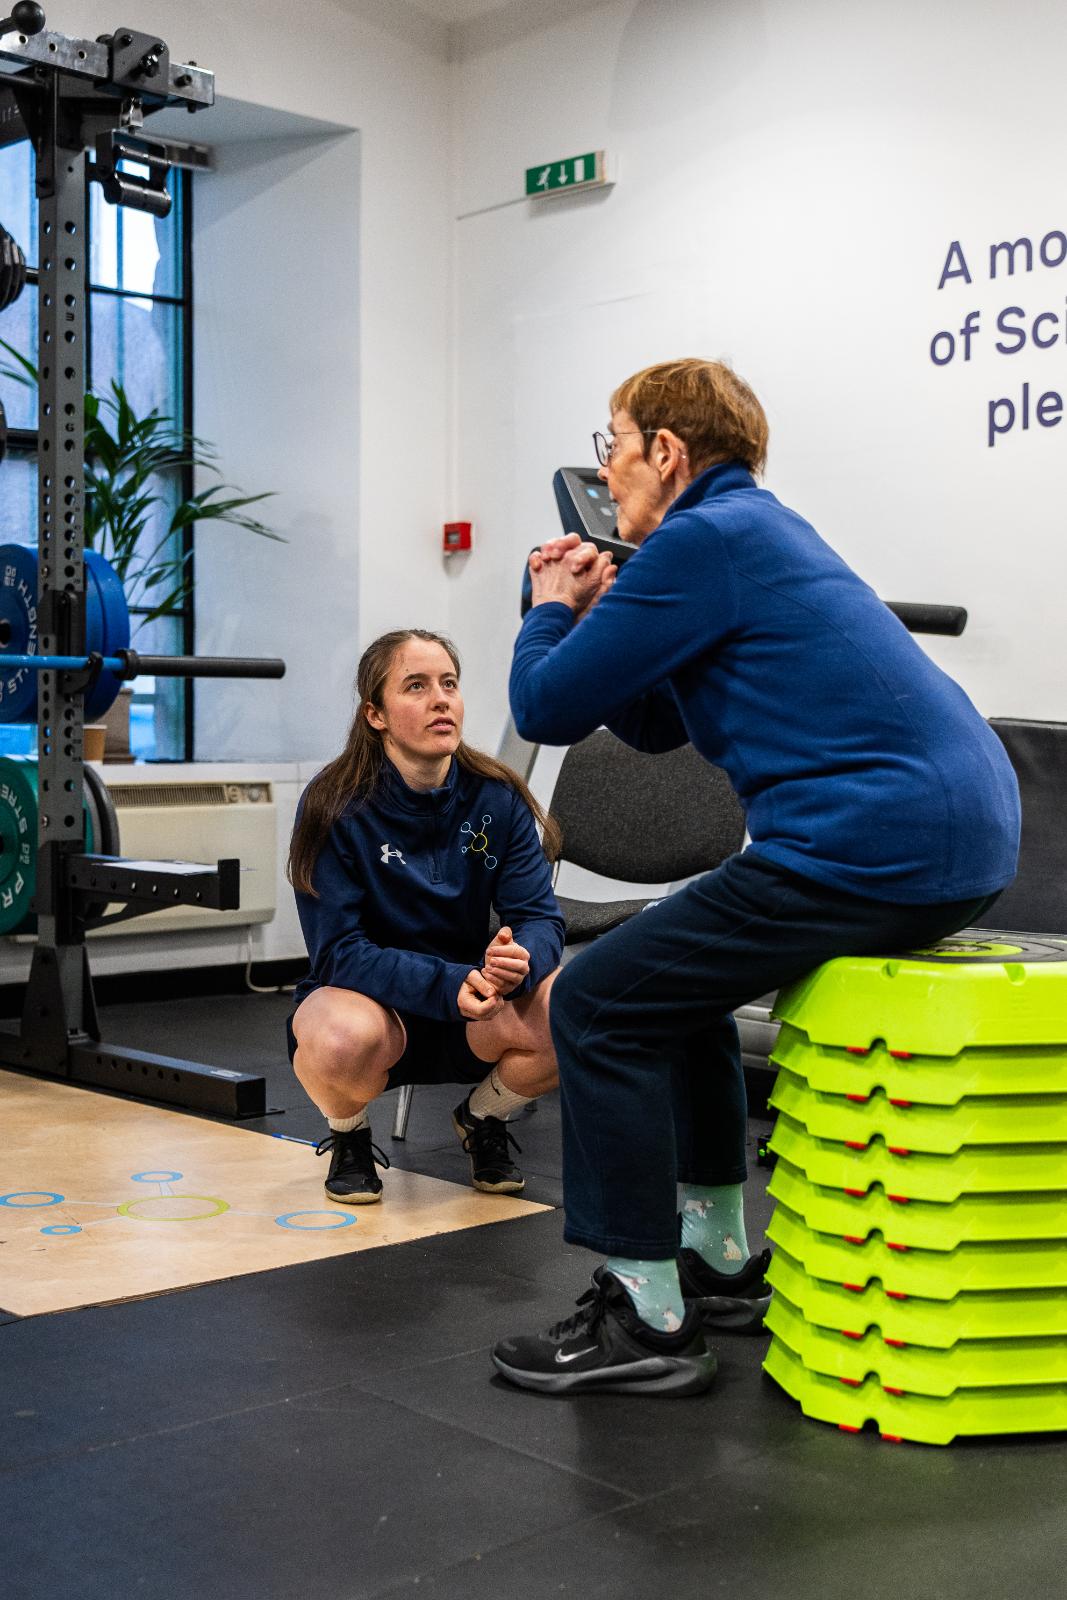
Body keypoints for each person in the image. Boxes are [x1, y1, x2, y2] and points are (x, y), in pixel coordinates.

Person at [492, 358, 1020, 1397]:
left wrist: (546, 603)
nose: (605, 468)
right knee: (664, 984)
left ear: (665, 453)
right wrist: (599, 612)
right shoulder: (746, 532)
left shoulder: (702, 541)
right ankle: (721, 1261)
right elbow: (648, 722)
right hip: (943, 843)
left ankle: (642, 1312)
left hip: (874, 845)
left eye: (613, 443)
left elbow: (545, 707)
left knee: (594, 1003)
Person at [286, 628, 564, 1204]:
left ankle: (483, 1117)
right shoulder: (332, 804)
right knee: (339, 1037)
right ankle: (349, 1136)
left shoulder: (497, 795)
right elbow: (338, 952)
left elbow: (540, 919)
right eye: (416, 686)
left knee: (578, 1003)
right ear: (376, 715)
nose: (441, 699)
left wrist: (521, 960)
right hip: (377, 1012)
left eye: (450, 684)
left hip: (475, 1007)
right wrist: (444, 984)